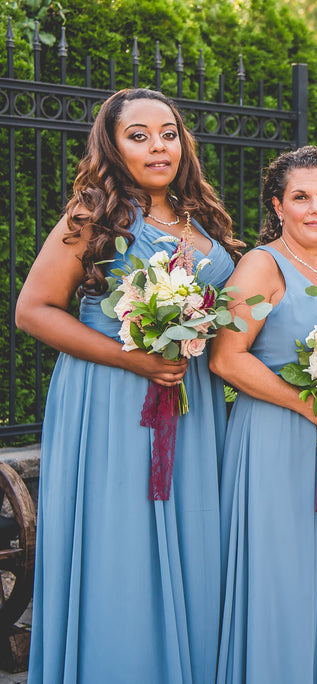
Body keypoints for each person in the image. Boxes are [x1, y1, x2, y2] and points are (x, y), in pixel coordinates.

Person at [15, 88, 241, 683]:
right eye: (138, 136)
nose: (157, 145)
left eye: (167, 132)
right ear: (112, 147)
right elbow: (33, 310)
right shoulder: (91, 218)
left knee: (193, 536)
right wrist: (132, 359)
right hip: (111, 400)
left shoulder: (204, 218)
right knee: (121, 543)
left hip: (189, 409)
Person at [209, 146, 317, 683]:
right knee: (282, 574)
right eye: (300, 197)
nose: (315, 208)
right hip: (276, 440)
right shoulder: (261, 265)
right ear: (278, 205)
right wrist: (309, 406)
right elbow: (226, 357)